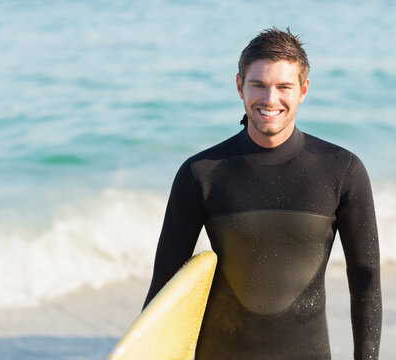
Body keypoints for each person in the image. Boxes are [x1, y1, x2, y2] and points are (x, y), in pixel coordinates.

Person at [143, 27, 382, 360]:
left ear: (303, 90)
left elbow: (366, 283)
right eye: (258, 85)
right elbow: (164, 288)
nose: (271, 100)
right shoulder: (201, 173)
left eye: (284, 86)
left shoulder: (342, 171)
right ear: (240, 85)